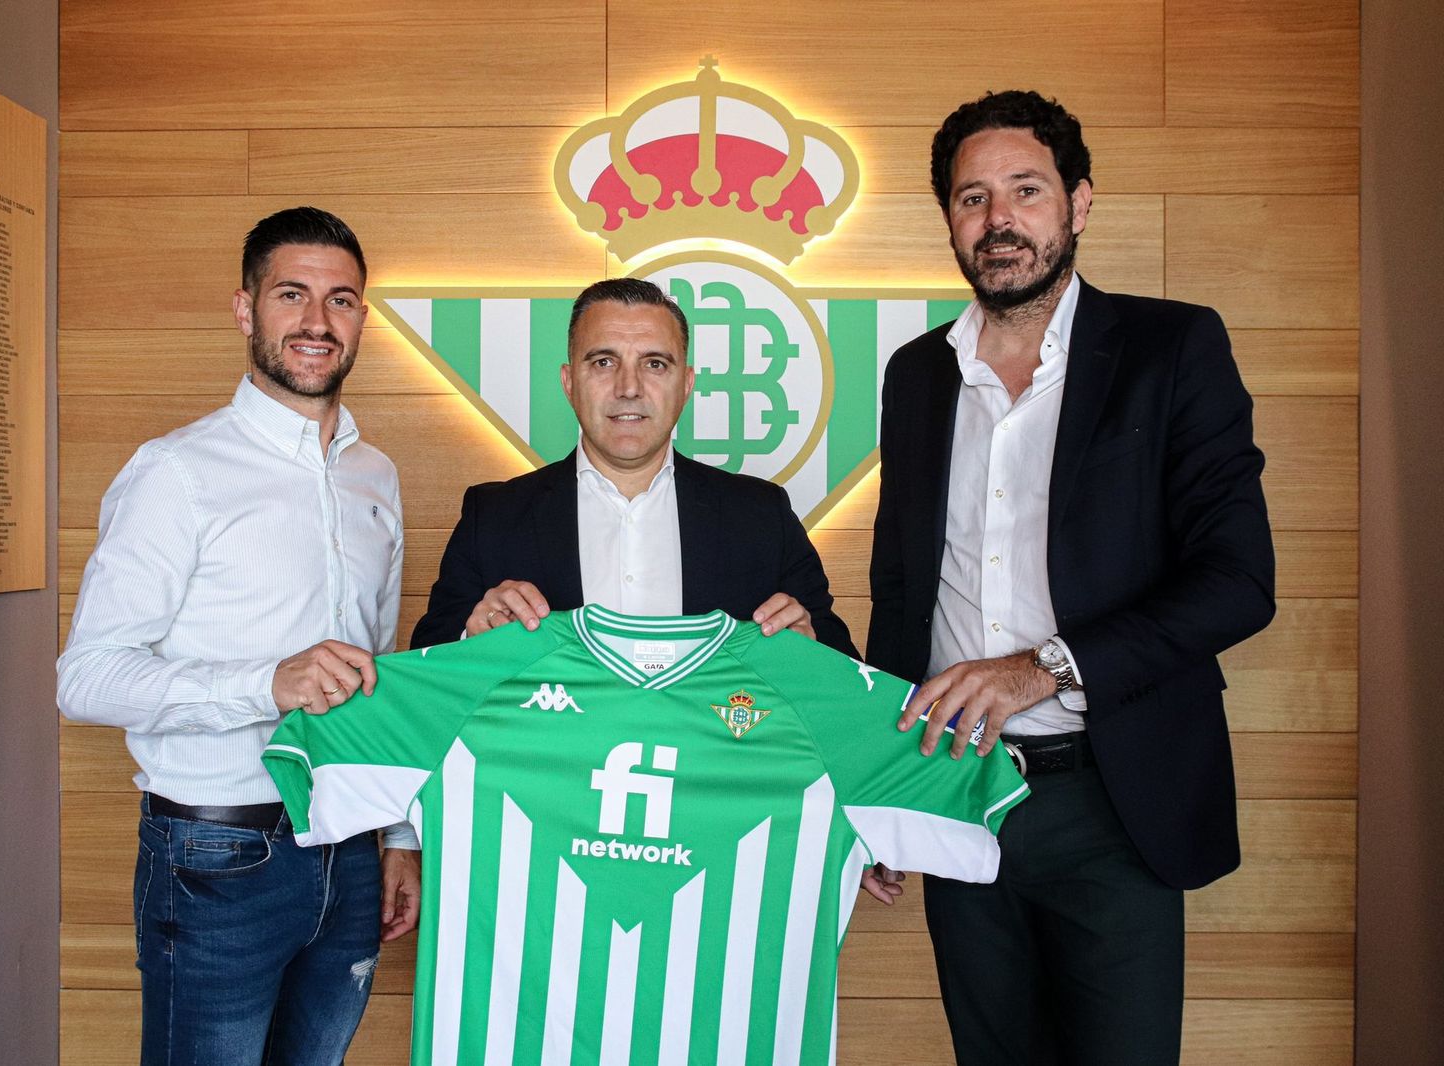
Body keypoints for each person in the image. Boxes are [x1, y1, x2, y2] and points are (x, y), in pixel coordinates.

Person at [863, 91, 1275, 1065]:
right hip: (960, 789)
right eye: (971, 199)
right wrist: (879, 790)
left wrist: (1043, 666)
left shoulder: (1170, 350)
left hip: (1112, 798)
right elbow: (901, 595)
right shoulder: (916, 375)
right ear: (950, 222)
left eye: (1024, 190)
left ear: (1078, 203)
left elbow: (1236, 581)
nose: (997, 220)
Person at [57, 206, 421, 1065]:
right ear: (245, 308)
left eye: (341, 300)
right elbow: (83, 679)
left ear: (363, 317)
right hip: (218, 853)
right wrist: (266, 683)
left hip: (351, 844)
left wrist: (400, 837)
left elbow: (381, 672)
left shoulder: (377, 475)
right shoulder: (176, 473)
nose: (316, 321)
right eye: (291, 294)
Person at [410, 276, 856, 657]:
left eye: (655, 364)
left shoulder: (762, 514)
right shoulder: (493, 516)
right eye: (604, 362)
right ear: (569, 382)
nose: (629, 388)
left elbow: (843, 666)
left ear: (686, 385)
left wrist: (807, 644)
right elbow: (426, 661)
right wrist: (472, 633)